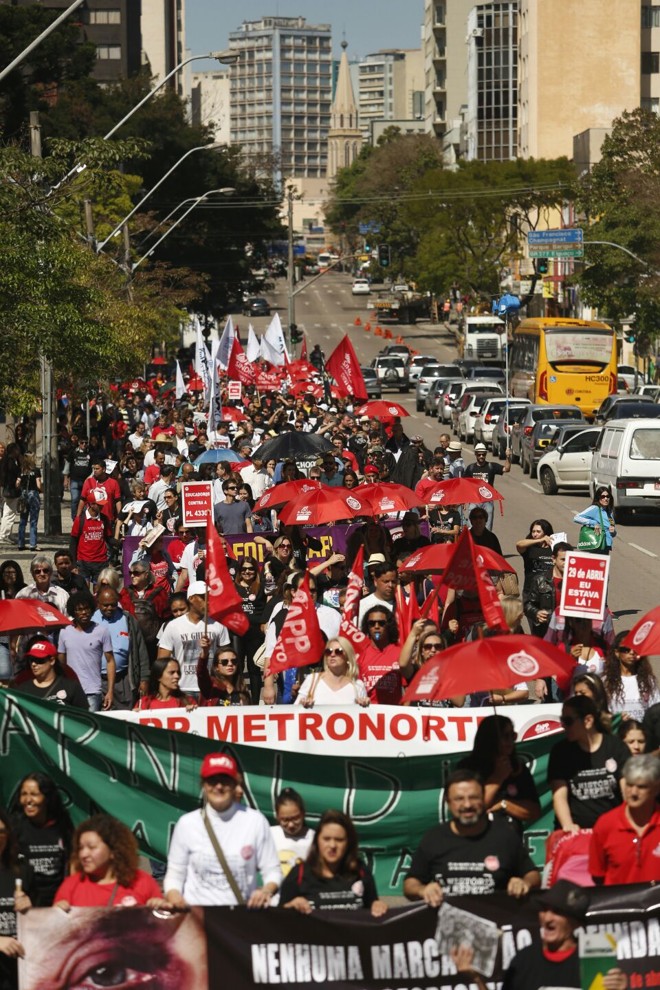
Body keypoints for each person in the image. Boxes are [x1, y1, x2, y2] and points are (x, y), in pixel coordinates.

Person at [403, 769, 540, 905]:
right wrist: (423, 890)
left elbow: (533, 875)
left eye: (473, 797)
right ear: (448, 802)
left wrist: (524, 883)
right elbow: (410, 884)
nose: (467, 805)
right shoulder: (434, 838)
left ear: (483, 798)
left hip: (495, 921)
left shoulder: (505, 836)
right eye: (459, 799)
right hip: (448, 922)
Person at [164, 752, 281, 907]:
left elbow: (272, 870)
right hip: (198, 919)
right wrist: (174, 897)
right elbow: (174, 875)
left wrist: (266, 891)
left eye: (224, 780)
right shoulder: (187, 824)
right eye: (212, 781)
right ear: (204, 785)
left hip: (239, 920)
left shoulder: (255, 821)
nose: (218, 786)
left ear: (234, 784)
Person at [491, 881, 627, 990]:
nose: (548, 918)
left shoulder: (593, 961)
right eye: (544, 910)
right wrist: (476, 978)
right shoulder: (524, 960)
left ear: (576, 923)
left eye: (557, 912)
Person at [280, 809, 386, 917]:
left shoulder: (361, 871)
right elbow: (277, 920)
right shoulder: (299, 874)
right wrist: (290, 906)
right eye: (326, 839)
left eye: (339, 840)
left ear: (348, 842)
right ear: (317, 840)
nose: (332, 845)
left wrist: (377, 905)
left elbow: (373, 909)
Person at [548, 694, 630, 831]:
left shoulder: (616, 747)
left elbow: (627, 791)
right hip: (577, 832)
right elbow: (559, 795)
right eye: (562, 720)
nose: (563, 726)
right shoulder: (560, 752)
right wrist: (568, 825)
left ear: (588, 721)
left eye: (568, 721)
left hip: (612, 830)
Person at [53, 813, 166, 909]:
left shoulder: (142, 882)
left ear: (113, 850)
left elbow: (164, 931)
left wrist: (159, 908)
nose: (83, 854)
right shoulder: (71, 886)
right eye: (80, 848)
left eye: (91, 847)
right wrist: (57, 914)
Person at [458, 715, 541, 833]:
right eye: (505, 736)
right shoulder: (468, 767)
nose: (510, 741)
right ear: (490, 738)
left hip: (511, 843)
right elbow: (473, 807)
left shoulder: (518, 767)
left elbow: (534, 811)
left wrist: (504, 804)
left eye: (512, 736)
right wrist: (498, 778)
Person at [589, 754, 660, 885]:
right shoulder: (605, 824)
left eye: (641, 787)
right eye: (629, 785)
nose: (633, 792)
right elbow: (597, 876)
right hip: (619, 904)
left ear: (656, 789)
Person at [9, 771, 73, 906]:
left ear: (47, 798)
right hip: (25, 903)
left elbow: (72, 863)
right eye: (24, 794)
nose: (28, 800)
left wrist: (67, 897)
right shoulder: (15, 826)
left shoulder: (63, 825)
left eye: (34, 794)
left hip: (58, 904)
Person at [157, 581, 230, 696]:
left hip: (211, 687)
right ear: (191, 599)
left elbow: (227, 658)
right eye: (202, 597)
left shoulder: (218, 625)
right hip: (182, 688)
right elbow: (162, 661)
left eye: (209, 597)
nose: (208, 601)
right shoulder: (173, 626)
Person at [57, 590, 115, 712]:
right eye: (79, 609)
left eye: (86, 608)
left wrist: (110, 691)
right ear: (73, 611)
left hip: (92, 692)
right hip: (70, 691)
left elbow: (110, 661)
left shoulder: (102, 631)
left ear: (92, 609)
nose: (84, 612)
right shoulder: (64, 632)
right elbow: (61, 663)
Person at [93, 587, 150, 710]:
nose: (109, 608)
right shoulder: (91, 620)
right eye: (105, 605)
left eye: (113, 605)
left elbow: (141, 650)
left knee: (125, 718)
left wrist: (144, 679)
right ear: (98, 602)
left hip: (123, 681)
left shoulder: (128, 619)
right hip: (98, 681)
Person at [0, 808, 33, 990]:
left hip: (19, 969)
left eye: (1, 832)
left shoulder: (23, 871)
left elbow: (42, 922)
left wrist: (31, 907)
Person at [12, 638, 88, 709]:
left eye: (38, 659)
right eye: (31, 660)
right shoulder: (23, 690)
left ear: (52, 661)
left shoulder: (71, 687)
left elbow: (85, 717)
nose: (34, 664)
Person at [602, 631, 660, 722]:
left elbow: (655, 710)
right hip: (617, 733)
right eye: (626, 649)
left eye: (635, 649)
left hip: (642, 733)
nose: (632, 652)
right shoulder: (606, 681)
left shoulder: (649, 680)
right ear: (617, 653)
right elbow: (602, 712)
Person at [358, 607, 411, 705]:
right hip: (368, 713)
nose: (376, 626)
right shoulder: (360, 654)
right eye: (372, 623)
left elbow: (408, 689)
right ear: (367, 627)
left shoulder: (399, 652)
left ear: (389, 626)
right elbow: (356, 690)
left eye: (381, 623)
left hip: (393, 715)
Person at [296, 637, 369, 707]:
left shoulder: (357, 685)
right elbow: (294, 711)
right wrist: (302, 704)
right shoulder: (312, 680)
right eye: (328, 651)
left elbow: (364, 716)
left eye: (338, 651)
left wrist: (365, 706)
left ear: (348, 656)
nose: (332, 654)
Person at [523, 540, 572, 638]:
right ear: (553, 559)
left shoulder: (577, 582)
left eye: (570, 560)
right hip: (546, 632)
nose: (566, 563)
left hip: (569, 633)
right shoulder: (540, 580)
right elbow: (528, 605)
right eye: (563, 559)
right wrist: (536, 613)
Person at [270, 788, 315, 880]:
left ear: (303, 814)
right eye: (285, 820)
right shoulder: (269, 834)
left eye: (295, 818)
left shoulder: (314, 838)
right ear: (277, 817)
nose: (291, 825)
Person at [463, 442, 511, 528]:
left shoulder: (491, 466)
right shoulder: (470, 468)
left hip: (488, 500)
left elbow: (506, 469)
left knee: (488, 526)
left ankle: (486, 539)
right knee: (471, 525)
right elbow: (464, 484)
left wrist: (508, 457)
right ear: (476, 454)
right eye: (479, 454)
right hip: (474, 500)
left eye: (483, 454)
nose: (481, 456)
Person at [195, 642, 251, 706]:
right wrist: (204, 652)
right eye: (224, 662)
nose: (230, 664)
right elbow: (201, 673)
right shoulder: (211, 685)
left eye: (234, 661)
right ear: (216, 667)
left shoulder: (242, 688)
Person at [574, 486, 616, 554]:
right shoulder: (595, 508)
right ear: (598, 498)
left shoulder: (609, 512)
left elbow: (611, 532)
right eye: (603, 496)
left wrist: (613, 532)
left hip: (606, 546)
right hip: (597, 544)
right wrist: (594, 523)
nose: (606, 499)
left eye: (608, 496)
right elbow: (576, 517)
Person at [515, 518, 554, 593]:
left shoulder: (553, 549)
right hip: (531, 591)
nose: (535, 534)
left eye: (538, 532)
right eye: (533, 531)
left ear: (546, 533)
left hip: (550, 591)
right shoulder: (529, 548)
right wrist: (540, 540)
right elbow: (519, 544)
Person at [16, 454, 41, 552]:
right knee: (33, 521)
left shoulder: (21, 471)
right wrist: (42, 490)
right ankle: (33, 544)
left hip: (24, 494)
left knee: (23, 520)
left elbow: (17, 483)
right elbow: (38, 484)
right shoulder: (36, 471)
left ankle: (21, 544)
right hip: (33, 494)